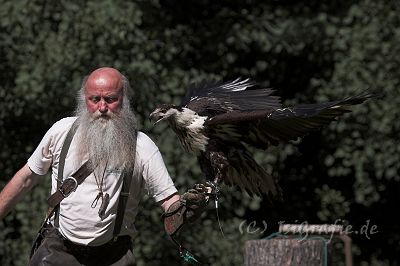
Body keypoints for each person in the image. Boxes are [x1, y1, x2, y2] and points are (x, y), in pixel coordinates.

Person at [0, 67, 208, 265]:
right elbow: (25, 179)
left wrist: (185, 207)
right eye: (94, 99)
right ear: (84, 100)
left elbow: (168, 200)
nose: (102, 107)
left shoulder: (142, 146)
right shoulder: (61, 132)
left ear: (123, 100)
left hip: (114, 256)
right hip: (58, 252)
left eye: (110, 99)